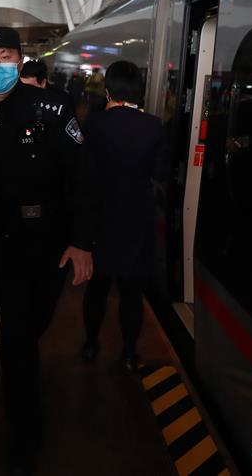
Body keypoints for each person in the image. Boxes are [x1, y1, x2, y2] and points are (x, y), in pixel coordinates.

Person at [0, 27, 97, 475]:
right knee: (17, 338)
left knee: (37, 324)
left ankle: (23, 401)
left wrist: (83, 241)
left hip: (49, 240)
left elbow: (83, 178)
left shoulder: (53, 110)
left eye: (4, 56)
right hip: (1, 243)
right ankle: (25, 435)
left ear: (20, 58)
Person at [81, 61, 168, 373]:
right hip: (136, 217)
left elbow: (83, 173)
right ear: (139, 91)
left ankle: (91, 344)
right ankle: (130, 353)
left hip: (100, 217)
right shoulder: (154, 125)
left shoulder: (93, 124)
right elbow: (161, 173)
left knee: (98, 288)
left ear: (107, 90)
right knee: (131, 292)